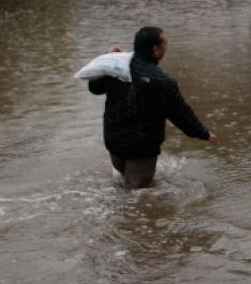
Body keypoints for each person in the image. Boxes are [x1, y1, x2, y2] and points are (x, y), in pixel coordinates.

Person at [88, 26, 217, 188]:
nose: (167, 47)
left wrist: (107, 61)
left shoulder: (117, 67)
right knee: (136, 195)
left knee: (122, 184)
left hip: (114, 142)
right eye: (165, 43)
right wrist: (203, 133)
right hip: (141, 149)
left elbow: (94, 88)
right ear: (156, 50)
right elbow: (181, 115)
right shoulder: (163, 81)